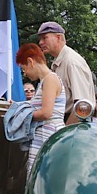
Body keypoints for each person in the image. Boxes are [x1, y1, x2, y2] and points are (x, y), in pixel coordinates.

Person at [15, 43, 66, 176]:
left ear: (30, 61)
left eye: (23, 68)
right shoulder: (46, 80)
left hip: (48, 134)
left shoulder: (50, 79)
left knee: (41, 178)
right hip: (46, 134)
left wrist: (22, 115)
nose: (25, 73)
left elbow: (46, 112)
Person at [37, 21, 95, 124]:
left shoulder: (72, 62)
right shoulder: (60, 61)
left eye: (44, 37)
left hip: (75, 124)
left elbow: (82, 107)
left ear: (58, 38)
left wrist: (64, 134)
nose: (40, 42)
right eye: (40, 39)